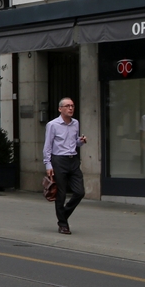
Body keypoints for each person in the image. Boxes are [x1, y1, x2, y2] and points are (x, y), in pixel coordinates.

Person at [44, 97, 86, 234]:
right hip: (59, 161)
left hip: (73, 160)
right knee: (60, 194)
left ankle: (63, 213)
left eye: (72, 106)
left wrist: (81, 141)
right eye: (67, 106)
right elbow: (47, 146)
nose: (71, 108)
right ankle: (63, 224)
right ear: (60, 109)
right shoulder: (52, 125)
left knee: (80, 192)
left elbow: (75, 142)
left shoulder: (75, 123)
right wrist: (48, 165)